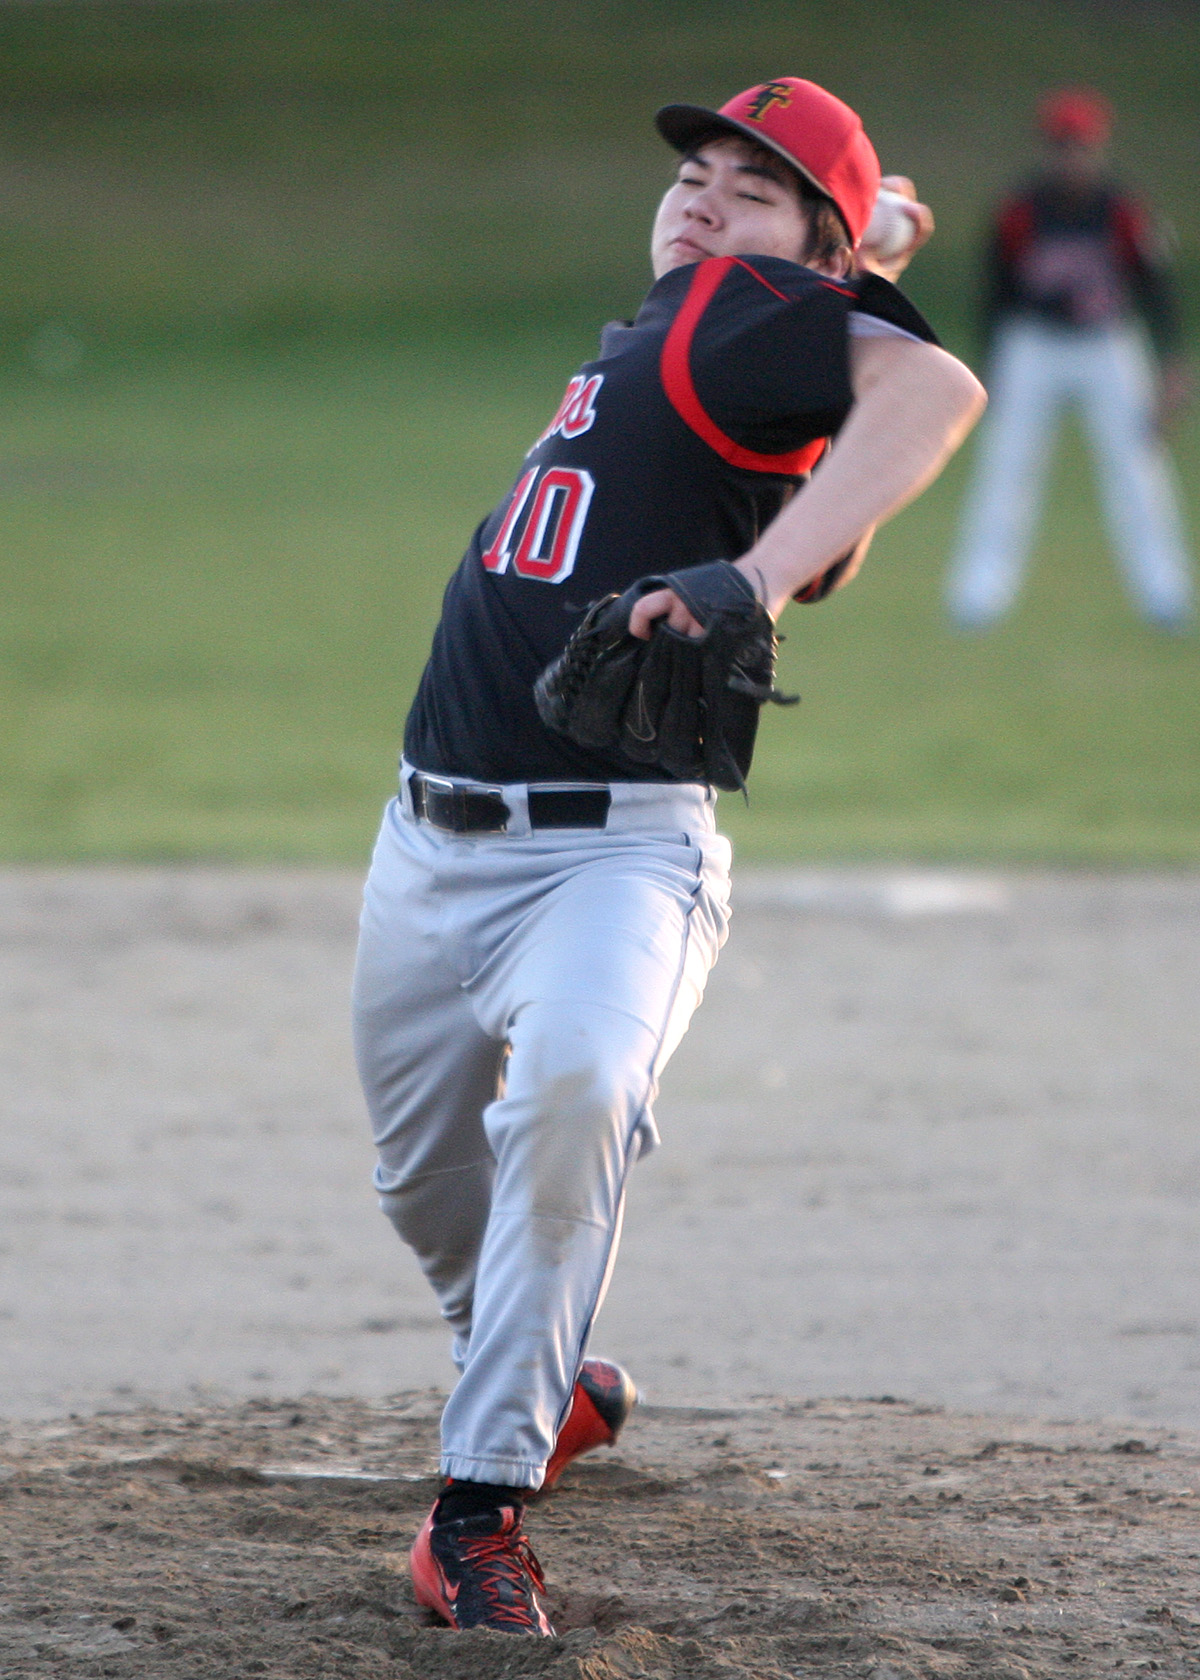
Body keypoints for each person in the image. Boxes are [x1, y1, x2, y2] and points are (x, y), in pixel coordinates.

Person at [351, 75, 984, 1636]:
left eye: (748, 188)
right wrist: (869, 242)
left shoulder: (740, 309)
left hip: (610, 858)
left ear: (795, 260)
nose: (701, 200)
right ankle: (547, 1382)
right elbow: (851, 389)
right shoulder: (706, 329)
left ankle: (479, 1507)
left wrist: (751, 581)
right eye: (693, 172)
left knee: (573, 1096)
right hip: (427, 838)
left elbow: (933, 393)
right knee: (431, 1189)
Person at [946, 87, 1194, 632]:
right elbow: (995, 292)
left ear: (1097, 148)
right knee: (1007, 468)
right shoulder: (1021, 209)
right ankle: (978, 597)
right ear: (1047, 148)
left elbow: (1157, 287)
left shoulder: (1121, 210)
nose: (1071, 156)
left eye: (1081, 145)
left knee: (1138, 470)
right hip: (1030, 344)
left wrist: (1172, 364)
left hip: (1109, 344)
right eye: (1062, 145)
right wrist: (987, 366)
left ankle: (1165, 596)